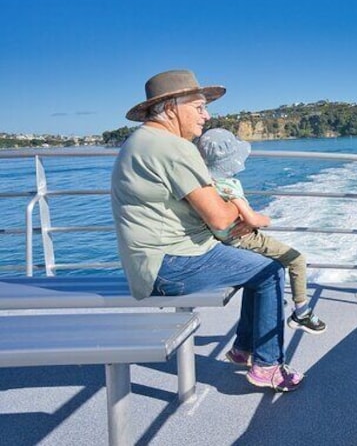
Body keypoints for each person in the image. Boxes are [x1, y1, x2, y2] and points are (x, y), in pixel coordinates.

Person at [111, 68, 302, 392]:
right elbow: (220, 219)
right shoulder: (174, 148)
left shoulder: (140, 141)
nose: (206, 115)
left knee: (253, 268)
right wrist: (240, 208)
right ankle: (268, 366)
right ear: (171, 107)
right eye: (198, 107)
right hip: (169, 265)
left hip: (147, 262)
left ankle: (244, 350)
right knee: (270, 270)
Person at [196, 128, 326, 334]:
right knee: (297, 259)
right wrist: (267, 219)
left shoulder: (204, 185)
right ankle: (301, 312)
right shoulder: (230, 187)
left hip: (223, 242)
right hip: (245, 239)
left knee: (269, 268)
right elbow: (252, 219)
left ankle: (243, 348)